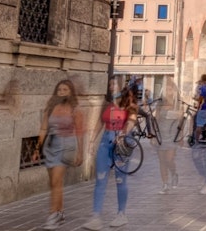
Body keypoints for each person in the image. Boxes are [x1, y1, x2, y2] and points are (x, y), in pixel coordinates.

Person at [83, 82, 138, 230]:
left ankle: (121, 214)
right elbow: (100, 122)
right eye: (110, 85)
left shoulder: (129, 102)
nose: (111, 87)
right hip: (105, 141)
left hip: (121, 143)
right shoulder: (106, 104)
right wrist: (92, 141)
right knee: (100, 179)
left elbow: (132, 120)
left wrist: (123, 133)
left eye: (114, 84)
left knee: (120, 180)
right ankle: (96, 217)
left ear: (121, 86)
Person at [36, 79, 84, 230]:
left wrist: (80, 153)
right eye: (59, 90)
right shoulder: (50, 107)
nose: (62, 92)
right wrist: (37, 148)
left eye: (65, 90)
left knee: (56, 181)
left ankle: (52, 215)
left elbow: (79, 133)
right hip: (50, 146)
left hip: (66, 147)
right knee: (54, 183)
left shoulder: (75, 109)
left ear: (70, 92)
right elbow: (43, 128)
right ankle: (60, 212)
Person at [155, 78, 180, 193]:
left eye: (170, 89)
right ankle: (165, 184)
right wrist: (154, 136)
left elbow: (180, 122)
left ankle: (174, 173)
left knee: (169, 160)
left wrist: (180, 137)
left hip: (172, 135)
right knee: (162, 160)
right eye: (166, 89)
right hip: (161, 134)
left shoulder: (177, 104)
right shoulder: (160, 104)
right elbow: (156, 120)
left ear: (174, 90)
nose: (168, 92)